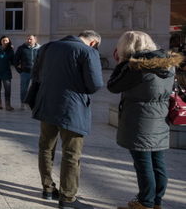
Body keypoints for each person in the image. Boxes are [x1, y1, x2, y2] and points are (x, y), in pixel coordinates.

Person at [107, 31, 179, 209]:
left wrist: (121, 63)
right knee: (158, 162)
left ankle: (144, 202)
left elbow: (113, 86)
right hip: (160, 118)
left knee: (143, 164)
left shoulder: (136, 66)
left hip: (139, 120)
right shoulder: (168, 63)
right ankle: (156, 202)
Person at [31, 30, 103, 209]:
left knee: (46, 148)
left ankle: (47, 188)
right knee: (71, 153)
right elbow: (95, 84)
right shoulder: (88, 52)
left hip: (47, 104)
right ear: (93, 42)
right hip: (72, 108)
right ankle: (68, 198)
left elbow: (36, 75)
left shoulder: (47, 48)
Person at [15, 35, 40, 109]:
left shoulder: (40, 49)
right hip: (25, 72)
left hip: (36, 73)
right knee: (23, 89)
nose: (29, 40)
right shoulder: (21, 48)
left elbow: (43, 59)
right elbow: (16, 60)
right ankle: (23, 103)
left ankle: (34, 103)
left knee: (35, 88)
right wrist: (19, 70)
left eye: (31, 39)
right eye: (28, 39)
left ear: (35, 40)